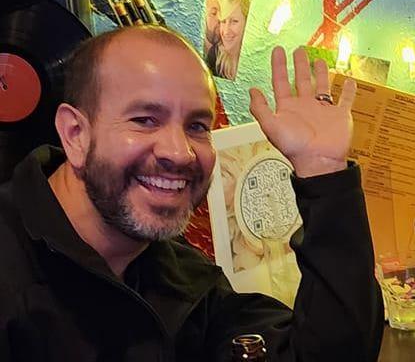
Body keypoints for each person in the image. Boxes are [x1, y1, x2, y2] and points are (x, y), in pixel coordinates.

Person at [0, 25, 383, 361]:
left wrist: (323, 172)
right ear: (75, 135)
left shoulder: (178, 274)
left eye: (197, 126)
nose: (180, 152)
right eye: (145, 120)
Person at [207, 0, 250, 80]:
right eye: (223, 21)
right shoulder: (214, 55)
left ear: (246, 23)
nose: (226, 31)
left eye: (234, 21)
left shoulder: (254, 61)